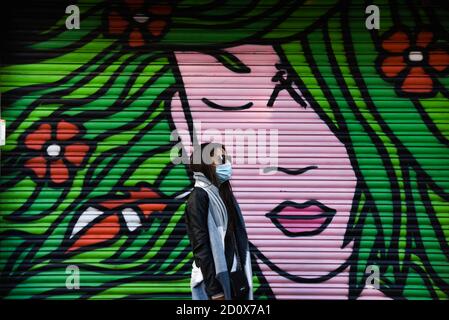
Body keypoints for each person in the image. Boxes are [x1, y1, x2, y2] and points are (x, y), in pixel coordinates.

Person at [184, 142, 253, 300]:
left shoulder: (223, 194)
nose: (226, 163)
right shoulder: (199, 197)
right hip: (213, 283)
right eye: (221, 159)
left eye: (226, 158)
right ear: (206, 163)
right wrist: (215, 292)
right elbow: (201, 248)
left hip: (232, 277)